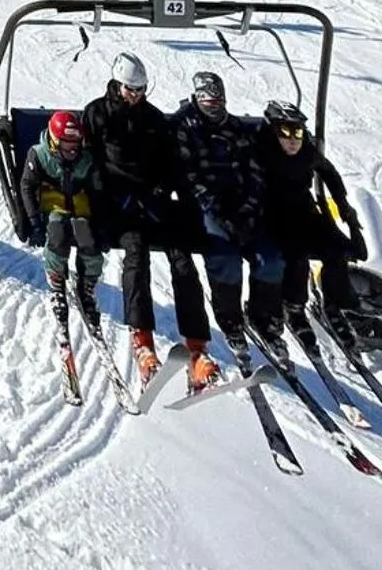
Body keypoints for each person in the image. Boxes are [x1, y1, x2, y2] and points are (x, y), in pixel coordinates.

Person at [84, 54, 216, 390]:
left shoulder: (154, 119)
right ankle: (142, 341)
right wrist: (113, 199)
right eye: (131, 89)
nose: (136, 95)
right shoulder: (97, 113)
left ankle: (197, 348)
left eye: (141, 89)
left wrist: (160, 191)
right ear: (117, 83)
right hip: (121, 207)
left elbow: (170, 164)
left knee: (182, 260)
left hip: (154, 204)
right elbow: (93, 163)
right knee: (136, 257)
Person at [172, 71, 283, 347]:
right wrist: (217, 210)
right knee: (225, 257)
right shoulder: (185, 126)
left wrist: (249, 208)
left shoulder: (234, 128)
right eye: (208, 102)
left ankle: (262, 313)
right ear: (198, 100)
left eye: (218, 101)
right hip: (207, 206)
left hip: (239, 203)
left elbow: (255, 171)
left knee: (270, 258)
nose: (214, 107)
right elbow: (187, 175)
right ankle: (229, 314)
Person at [253, 101, 362, 349]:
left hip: (304, 210)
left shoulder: (306, 153)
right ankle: (293, 305)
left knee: (336, 248)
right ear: (273, 131)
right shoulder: (261, 151)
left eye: (298, 132)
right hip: (272, 214)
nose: (293, 140)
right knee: (295, 253)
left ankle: (334, 303)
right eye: (285, 133)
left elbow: (328, 172)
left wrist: (342, 202)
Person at [19, 110, 104, 326]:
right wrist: (34, 222)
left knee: (88, 238)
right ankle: (56, 280)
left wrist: (102, 221)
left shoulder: (85, 158)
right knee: (57, 233)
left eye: (76, 142)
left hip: (79, 205)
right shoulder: (39, 155)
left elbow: (96, 190)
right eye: (67, 143)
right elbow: (27, 186)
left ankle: (87, 284)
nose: (73, 149)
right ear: (55, 140)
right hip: (53, 204)